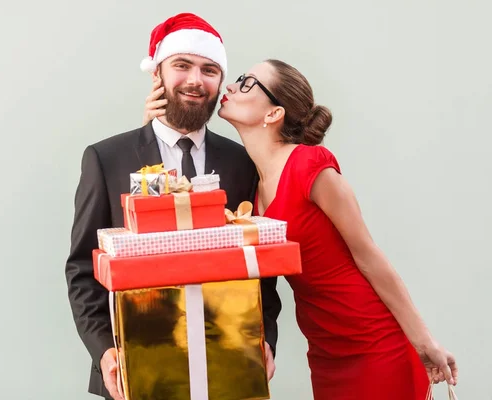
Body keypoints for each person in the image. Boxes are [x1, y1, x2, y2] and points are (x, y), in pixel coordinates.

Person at [144, 59, 459, 399]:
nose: (231, 87)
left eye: (247, 83)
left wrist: (424, 341)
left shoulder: (311, 165)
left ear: (273, 114)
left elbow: (370, 258)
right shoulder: (250, 183)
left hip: (373, 343)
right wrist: (152, 124)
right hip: (325, 351)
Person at [65, 13, 281, 400]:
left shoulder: (243, 163)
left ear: (219, 83)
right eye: (182, 65)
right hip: (136, 366)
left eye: (209, 69)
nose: (195, 80)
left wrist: (265, 336)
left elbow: (259, 264)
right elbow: (83, 269)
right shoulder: (106, 159)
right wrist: (105, 352)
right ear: (157, 75)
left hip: (226, 365)